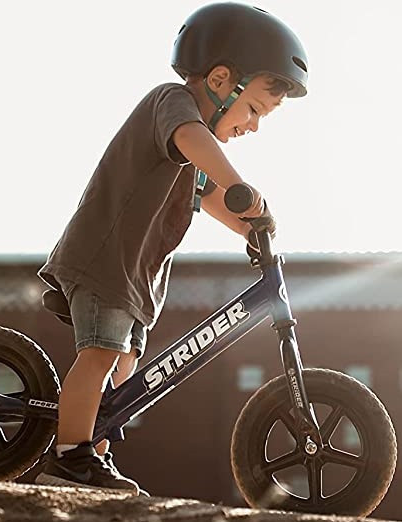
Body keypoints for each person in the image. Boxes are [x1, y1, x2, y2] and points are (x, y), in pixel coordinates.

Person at [34, 2, 308, 495]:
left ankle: (93, 451)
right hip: (105, 263)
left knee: (121, 371)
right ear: (222, 80)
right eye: (254, 111)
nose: (254, 126)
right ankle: (69, 458)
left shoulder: (192, 152)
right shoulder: (173, 106)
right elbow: (196, 143)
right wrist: (241, 185)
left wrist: (248, 228)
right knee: (99, 356)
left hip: (136, 279)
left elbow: (207, 193)